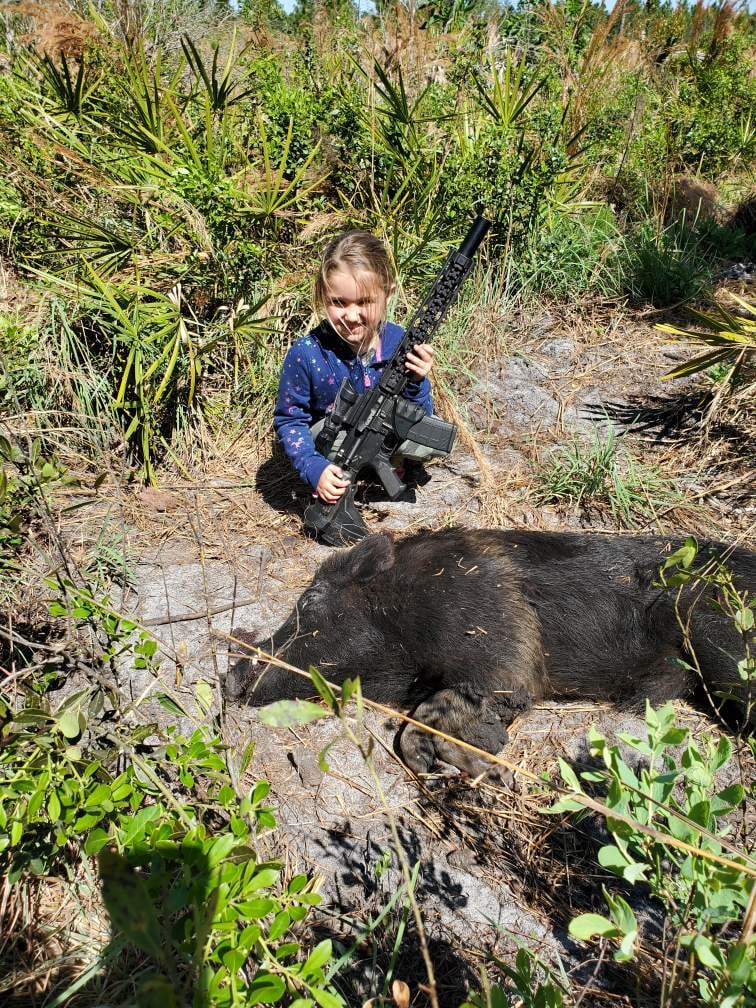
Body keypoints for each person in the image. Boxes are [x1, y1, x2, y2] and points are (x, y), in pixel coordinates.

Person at [274, 229, 446, 508]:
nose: (352, 316)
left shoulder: (400, 342)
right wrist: (313, 467)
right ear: (323, 296)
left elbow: (421, 413)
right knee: (325, 439)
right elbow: (290, 420)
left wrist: (416, 381)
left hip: (385, 433)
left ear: (387, 294)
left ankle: (388, 463)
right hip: (335, 447)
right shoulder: (306, 352)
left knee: (433, 434)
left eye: (365, 302)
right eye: (338, 302)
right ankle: (342, 477)